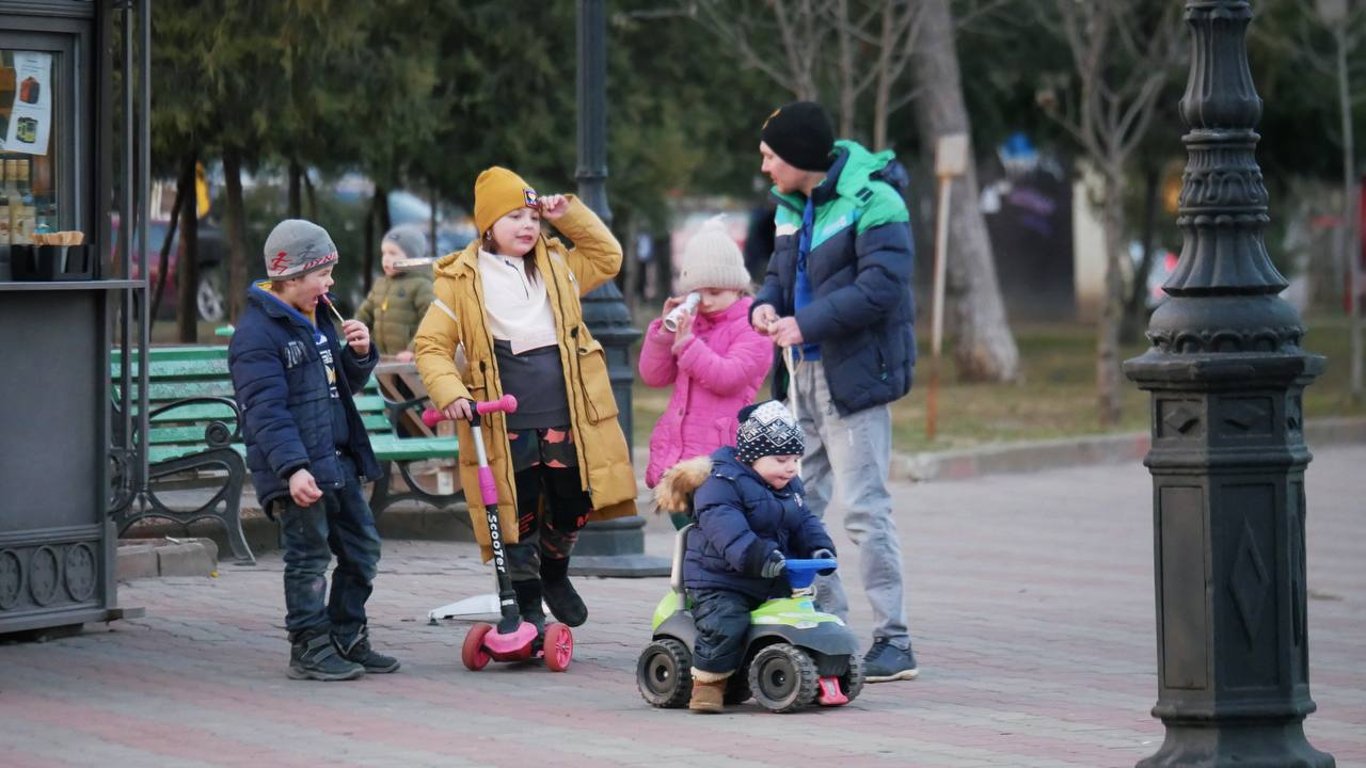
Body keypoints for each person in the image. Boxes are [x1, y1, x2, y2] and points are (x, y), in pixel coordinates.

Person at [413, 166, 637, 635]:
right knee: (519, 510)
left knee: (574, 499)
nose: (527, 225)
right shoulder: (460, 280)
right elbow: (431, 346)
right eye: (514, 216)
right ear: (488, 225)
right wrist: (451, 392)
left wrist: (568, 215)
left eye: (533, 216)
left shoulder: (557, 265)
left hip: (567, 409)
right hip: (503, 418)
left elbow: (607, 256)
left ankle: (555, 573)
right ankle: (528, 603)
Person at [749, 101, 919, 683]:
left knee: (865, 511)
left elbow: (881, 290)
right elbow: (778, 275)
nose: (765, 166)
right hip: (802, 376)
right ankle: (824, 626)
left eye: (772, 155)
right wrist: (765, 307)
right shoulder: (791, 208)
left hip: (855, 380)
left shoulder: (876, 201)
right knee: (800, 507)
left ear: (798, 156)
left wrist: (807, 323)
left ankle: (894, 641)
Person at [228, 219, 399, 681]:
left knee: (363, 550)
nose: (330, 284)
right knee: (308, 559)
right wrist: (294, 469)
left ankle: (346, 635)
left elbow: (333, 389)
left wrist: (358, 358)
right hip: (299, 472)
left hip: (336, 461)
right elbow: (265, 411)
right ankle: (308, 646)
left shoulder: (320, 321)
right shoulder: (258, 335)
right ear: (291, 276)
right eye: (322, 274)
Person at [665, 400, 835, 713]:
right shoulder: (720, 484)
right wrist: (759, 555)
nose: (791, 467)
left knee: (810, 615)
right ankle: (709, 683)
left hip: (771, 575)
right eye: (782, 458)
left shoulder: (788, 484)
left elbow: (804, 521)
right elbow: (728, 532)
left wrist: (818, 547)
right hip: (724, 579)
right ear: (751, 456)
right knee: (726, 622)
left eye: (796, 459)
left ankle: (820, 670)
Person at [638, 216, 773, 516]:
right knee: (686, 538)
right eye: (699, 294)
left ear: (737, 288)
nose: (707, 302)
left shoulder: (752, 327)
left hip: (720, 457)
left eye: (716, 292)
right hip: (679, 456)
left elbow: (728, 377)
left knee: (714, 537)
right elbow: (653, 376)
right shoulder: (691, 324)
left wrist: (687, 344)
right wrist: (665, 334)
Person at [355, 224, 435, 362]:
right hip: (383, 360)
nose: (386, 258)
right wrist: (354, 331)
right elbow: (364, 314)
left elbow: (431, 321)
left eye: (393, 253)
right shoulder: (380, 284)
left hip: (409, 363)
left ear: (412, 257)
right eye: (384, 253)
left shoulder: (421, 285)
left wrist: (413, 350)